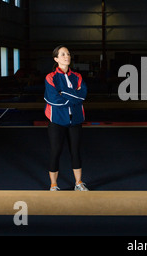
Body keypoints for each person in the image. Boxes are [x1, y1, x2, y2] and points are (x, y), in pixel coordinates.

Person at [44, 45, 89, 191]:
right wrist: (72, 96)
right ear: (56, 59)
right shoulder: (50, 77)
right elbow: (53, 99)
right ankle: (54, 185)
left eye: (68, 54)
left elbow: (82, 95)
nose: (67, 56)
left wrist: (63, 92)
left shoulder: (77, 77)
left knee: (75, 151)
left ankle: (78, 183)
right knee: (55, 151)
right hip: (57, 120)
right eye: (63, 54)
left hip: (75, 120)